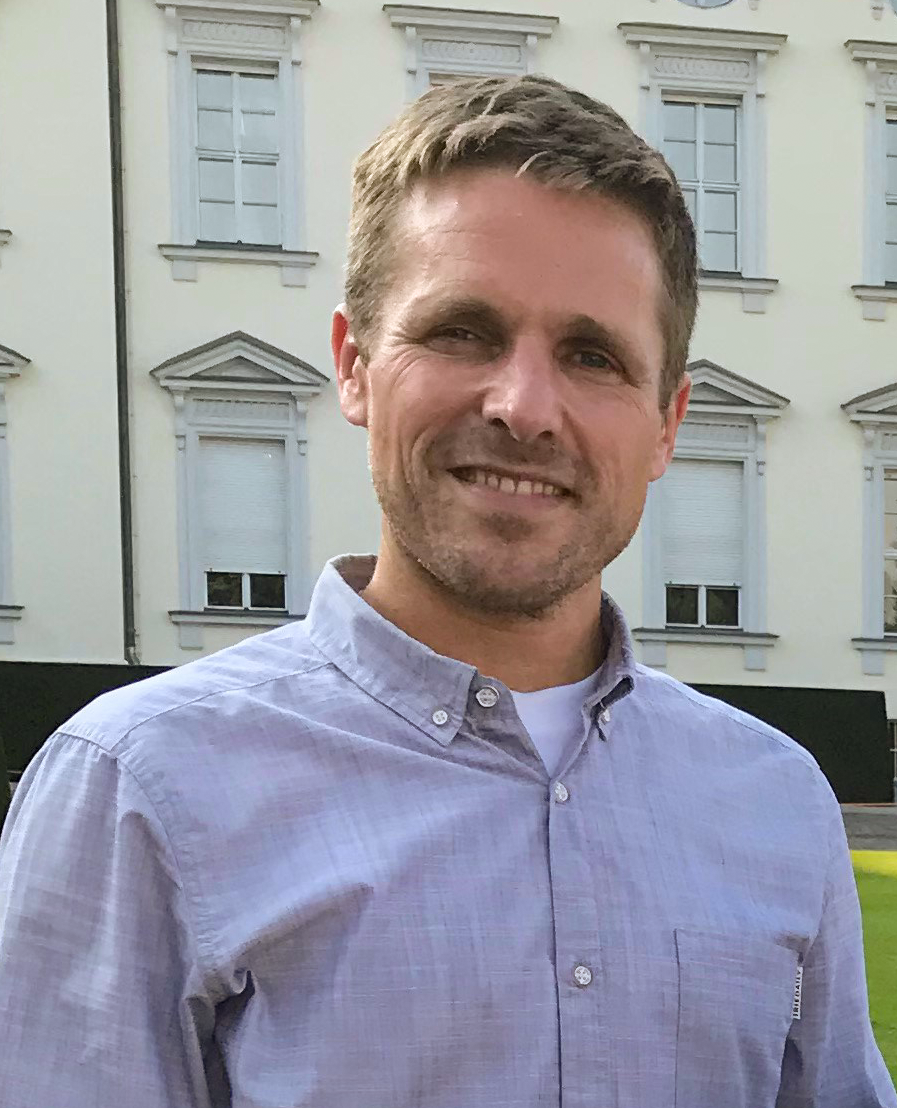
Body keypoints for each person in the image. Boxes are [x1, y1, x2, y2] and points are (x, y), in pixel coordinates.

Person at [0, 75, 893, 1108]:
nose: (523, 406)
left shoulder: (776, 802)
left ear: (666, 424)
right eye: (462, 331)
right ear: (353, 365)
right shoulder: (141, 791)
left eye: (592, 355)